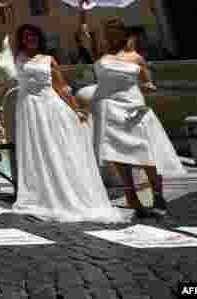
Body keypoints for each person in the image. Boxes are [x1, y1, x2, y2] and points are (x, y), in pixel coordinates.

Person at [9, 24, 121, 222]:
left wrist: (76, 108)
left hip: (49, 107)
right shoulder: (17, 56)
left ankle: (65, 190)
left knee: (56, 149)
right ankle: (41, 192)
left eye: (33, 35)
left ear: (39, 38)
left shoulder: (48, 59)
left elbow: (61, 87)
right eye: (26, 36)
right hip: (29, 108)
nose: (30, 38)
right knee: (36, 151)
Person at [85, 15, 185, 217]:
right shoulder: (100, 55)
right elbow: (83, 35)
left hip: (133, 107)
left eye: (115, 32)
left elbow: (148, 84)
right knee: (118, 153)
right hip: (110, 107)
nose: (111, 36)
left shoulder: (136, 57)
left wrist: (146, 85)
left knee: (147, 154)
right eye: (108, 33)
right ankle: (131, 195)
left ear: (123, 34)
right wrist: (82, 13)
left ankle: (158, 195)